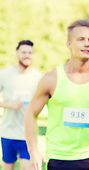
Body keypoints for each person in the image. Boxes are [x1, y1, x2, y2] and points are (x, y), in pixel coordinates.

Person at [24, 19, 89, 170]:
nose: (87, 44)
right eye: (81, 39)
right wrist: (33, 150)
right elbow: (30, 114)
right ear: (69, 44)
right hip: (58, 158)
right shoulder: (51, 79)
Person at [0, 40, 42, 170]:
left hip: (28, 134)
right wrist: (8, 104)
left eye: (30, 53)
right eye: (24, 52)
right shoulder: (5, 74)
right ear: (17, 54)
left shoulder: (38, 77)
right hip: (8, 133)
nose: (27, 55)